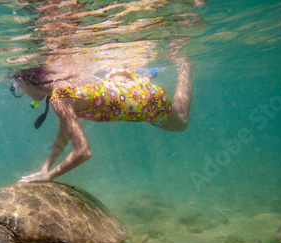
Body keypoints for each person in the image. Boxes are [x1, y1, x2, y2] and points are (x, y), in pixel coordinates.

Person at [10, 61, 193, 183]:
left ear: (23, 80)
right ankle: (142, 76)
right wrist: (44, 168)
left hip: (147, 101)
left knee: (182, 120)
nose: (22, 93)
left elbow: (83, 152)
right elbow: (65, 131)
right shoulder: (65, 79)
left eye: (17, 88)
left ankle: (186, 65)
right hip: (124, 86)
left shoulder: (59, 98)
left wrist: (49, 176)